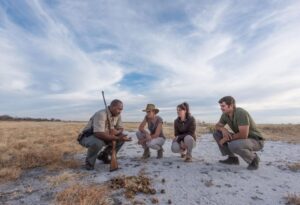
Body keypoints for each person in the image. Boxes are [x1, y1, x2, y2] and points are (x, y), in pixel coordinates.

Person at [213, 96, 265, 170]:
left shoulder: (241, 113)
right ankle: (232, 158)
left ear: (231, 105)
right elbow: (217, 126)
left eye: (223, 106)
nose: (221, 108)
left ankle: (253, 159)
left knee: (234, 145)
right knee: (217, 134)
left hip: (256, 141)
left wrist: (225, 139)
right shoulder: (225, 115)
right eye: (220, 106)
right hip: (243, 139)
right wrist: (223, 129)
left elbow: (243, 135)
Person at [78, 99, 130, 170]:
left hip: (104, 135)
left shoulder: (118, 114)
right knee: (98, 143)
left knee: (122, 138)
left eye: (121, 109)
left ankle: (104, 155)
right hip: (89, 136)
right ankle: (89, 163)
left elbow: (121, 128)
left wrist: (116, 133)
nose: (120, 111)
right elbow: (98, 133)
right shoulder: (101, 114)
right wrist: (116, 138)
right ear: (112, 107)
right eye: (119, 109)